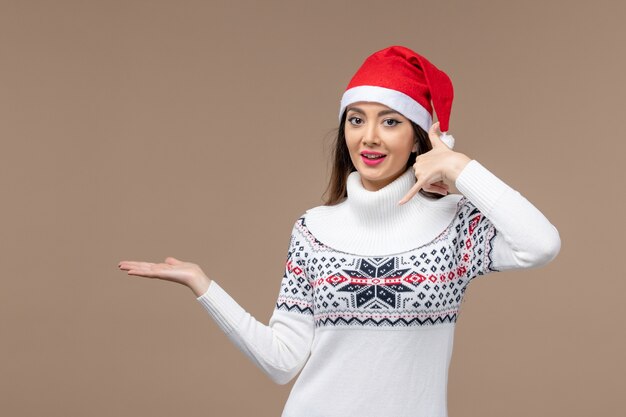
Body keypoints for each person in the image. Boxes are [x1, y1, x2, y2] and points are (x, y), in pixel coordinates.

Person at [118, 45, 561, 417]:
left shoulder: (455, 224)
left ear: (418, 137)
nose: (369, 137)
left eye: (390, 121)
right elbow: (282, 361)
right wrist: (203, 285)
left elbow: (540, 245)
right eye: (356, 119)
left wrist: (460, 168)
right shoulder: (314, 229)